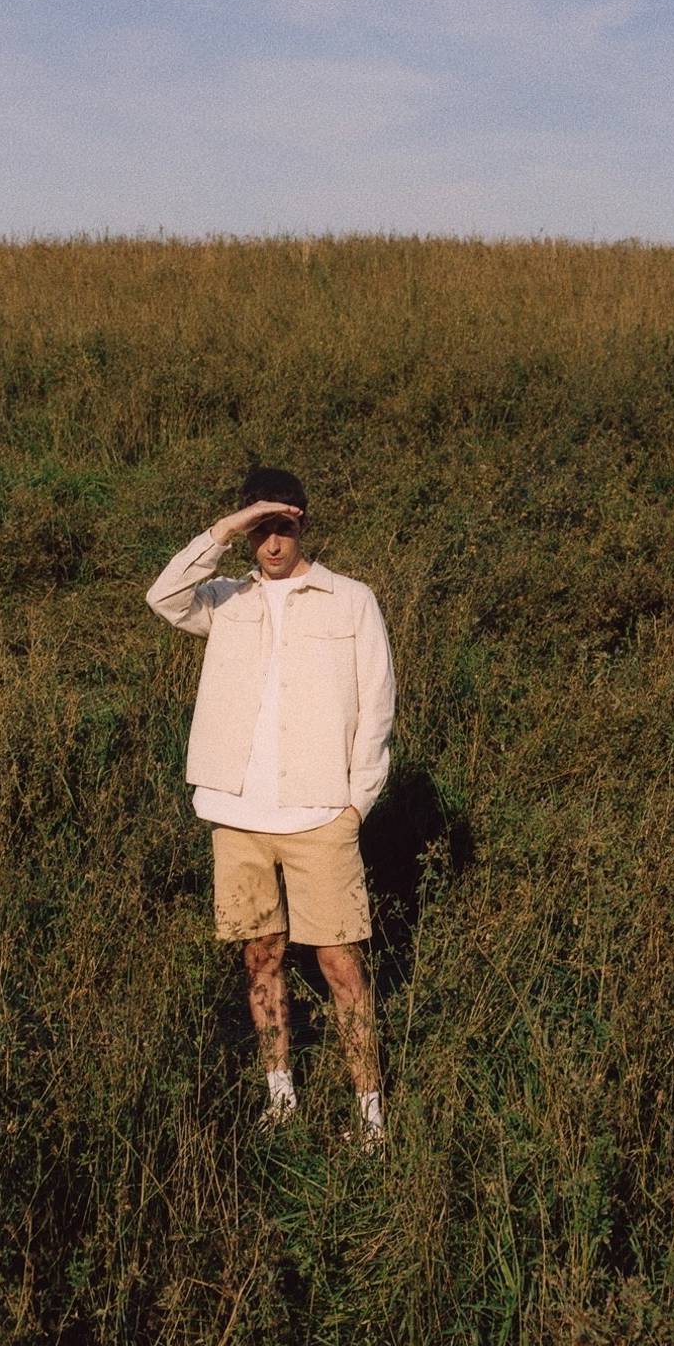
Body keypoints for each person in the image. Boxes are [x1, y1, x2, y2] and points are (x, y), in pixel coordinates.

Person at [145, 467, 396, 1144]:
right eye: (260, 530)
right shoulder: (226, 599)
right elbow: (163, 595)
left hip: (321, 815)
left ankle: (372, 1118)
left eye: (283, 527)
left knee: (341, 963)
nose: (273, 543)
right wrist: (224, 528)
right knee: (262, 956)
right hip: (239, 813)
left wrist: (355, 804)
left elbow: (377, 706)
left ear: (304, 524)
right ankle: (280, 1098)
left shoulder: (350, 600)